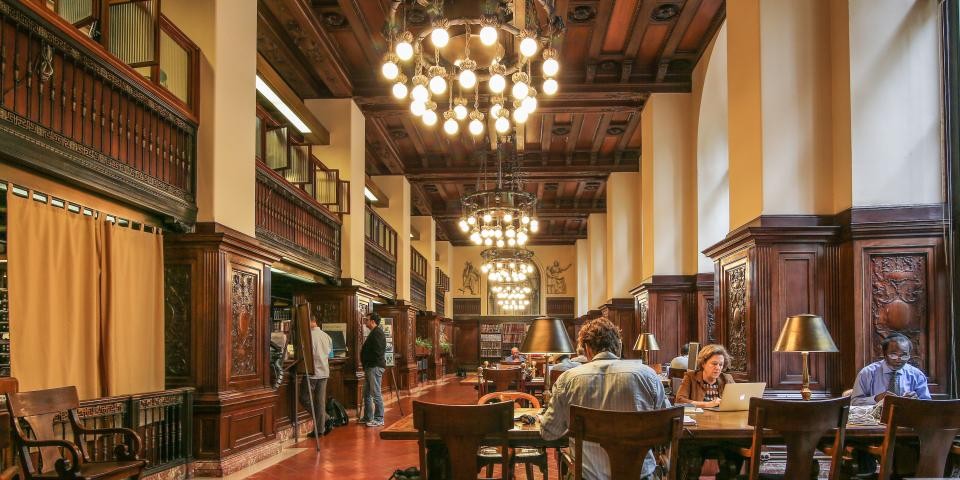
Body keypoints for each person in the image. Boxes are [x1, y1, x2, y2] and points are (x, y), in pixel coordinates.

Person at [539, 318, 669, 479]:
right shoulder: (648, 375)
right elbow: (667, 426)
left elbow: (549, 433)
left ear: (586, 349)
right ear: (619, 346)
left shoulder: (568, 379)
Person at [851, 333, 930, 406]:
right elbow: (853, 402)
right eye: (893, 355)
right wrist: (876, 399)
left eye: (904, 356)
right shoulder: (868, 373)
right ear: (885, 355)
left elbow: (928, 405)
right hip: (873, 418)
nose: (899, 360)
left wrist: (916, 401)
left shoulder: (917, 375)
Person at [300, 315, 333, 437]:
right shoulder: (326, 336)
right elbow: (330, 354)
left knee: (304, 398)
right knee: (320, 402)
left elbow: (302, 354)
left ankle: (325, 419)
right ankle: (321, 427)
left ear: (311, 322)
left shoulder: (307, 337)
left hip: (311, 372)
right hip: (324, 372)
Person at [675, 344, 735, 408]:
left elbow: (736, 399)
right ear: (703, 363)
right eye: (714, 364)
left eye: (720, 364)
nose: (718, 368)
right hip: (698, 417)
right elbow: (679, 401)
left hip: (722, 417)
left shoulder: (727, 378)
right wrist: (706, 404)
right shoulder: (690, 376)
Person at [360, 312, 386, 427]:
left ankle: (379, 418)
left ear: (372, 321)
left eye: (367, 320)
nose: (365, 321)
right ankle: (368, 416)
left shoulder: (377, 333)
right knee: (366, 393)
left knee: (376, 393)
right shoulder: (374, 332)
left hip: (374, 367)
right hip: (370, 367)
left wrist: (368, 361)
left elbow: (378, 352)